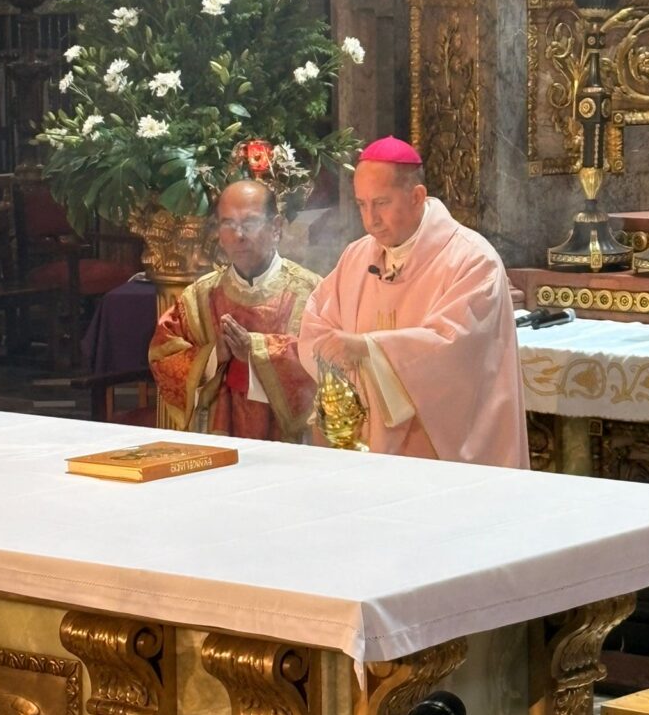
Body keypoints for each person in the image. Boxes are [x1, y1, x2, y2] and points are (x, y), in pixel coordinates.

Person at [298, 136, 529, 468]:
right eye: (362, 204)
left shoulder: (472, 260)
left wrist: (368, 349)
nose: (370, 219)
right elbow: (317, 324)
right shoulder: (357, 256)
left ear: (417, 196)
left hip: (446, 454)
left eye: (381, 203)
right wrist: (335, 354)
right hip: (368, 449)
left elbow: (454, 349)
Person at [149, 180, 320, 441]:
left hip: (290, 446)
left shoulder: (312, 293)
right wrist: (212, 356)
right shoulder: (198, 297)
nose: (238, 235)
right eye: (228, 224)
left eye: (249, 223)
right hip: (216, 439)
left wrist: (257, 350)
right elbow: (163, 357)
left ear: (275, 227)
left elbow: (330, 364)